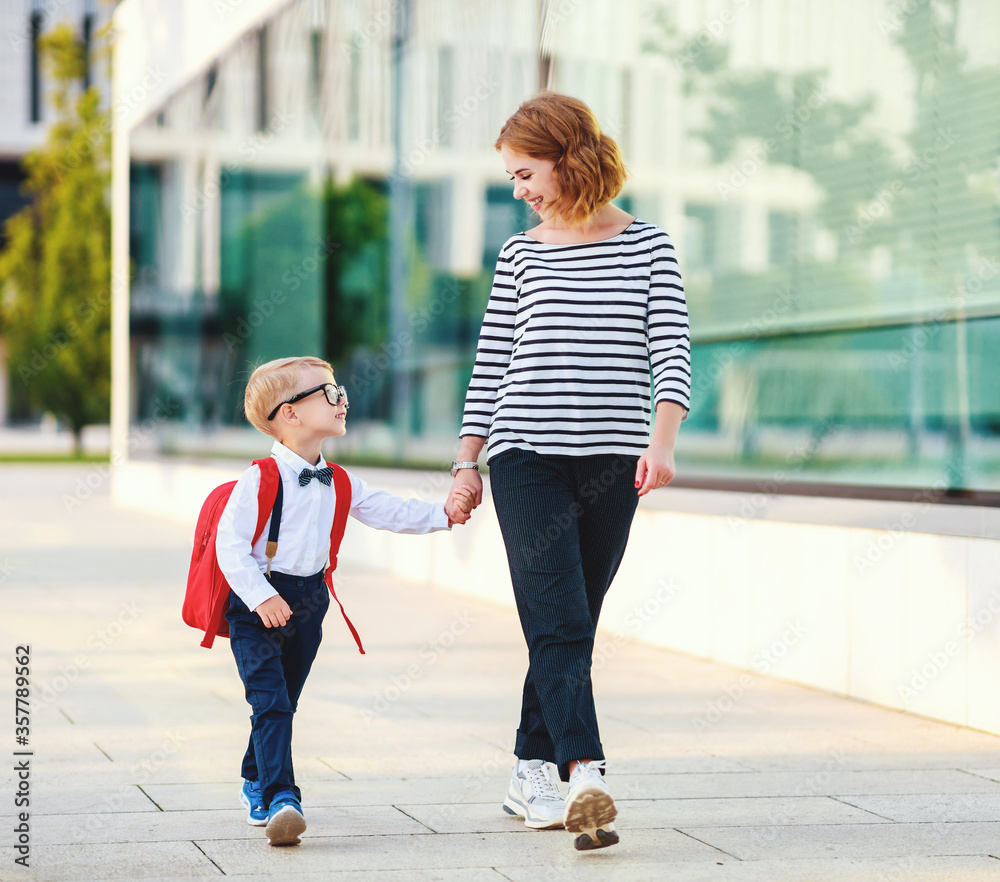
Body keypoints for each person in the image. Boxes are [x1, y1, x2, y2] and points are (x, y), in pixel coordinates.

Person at [445, 93, 690, 851]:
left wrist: (663, 443)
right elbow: (491, 364)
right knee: (558, 617)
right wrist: (467, 461)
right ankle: (585, 769)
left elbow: (672, 352)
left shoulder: (648, 246)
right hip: (525, 456)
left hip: (615, 462)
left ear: (566, 158)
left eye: (525, 173)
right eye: (513, 178)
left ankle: (529, 769)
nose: (518, 190)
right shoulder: (520, 254)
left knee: (570, 620)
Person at [217, 356, 473, 846]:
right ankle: (281, 798)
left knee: (283, 701)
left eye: (340, 391)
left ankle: (254, 775)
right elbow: (230, 548)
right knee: (270, 701)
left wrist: (443, 513)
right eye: (329, 393)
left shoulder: (337, 479)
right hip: (258, 604)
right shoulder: (260, 479)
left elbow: (388, 510)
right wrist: (262, 596)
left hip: (309, 603)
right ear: (289, 414)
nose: (343, 400)